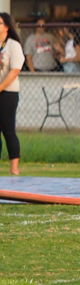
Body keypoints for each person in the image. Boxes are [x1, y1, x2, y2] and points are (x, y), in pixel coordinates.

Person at [0, 13, 23, 176]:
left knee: (8, 130)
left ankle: (14, 168)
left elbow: (14, 71)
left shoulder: (13, 45)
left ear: (6, 27)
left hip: (8, 93)